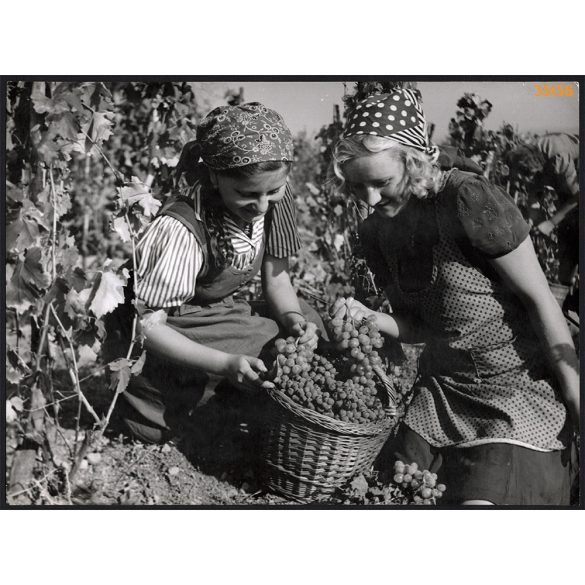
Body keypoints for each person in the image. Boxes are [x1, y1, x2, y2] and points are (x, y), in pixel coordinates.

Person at [330, 89, 579, 505]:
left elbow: (540, 298)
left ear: (412, 163)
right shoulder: (378, 231)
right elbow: (421, 326)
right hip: (440, 397)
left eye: (381, 183)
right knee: (383, 497)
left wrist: (574, 390)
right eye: (358, 187)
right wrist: (370, 319)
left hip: (513, 394)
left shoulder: (467, 199)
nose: (370, 199)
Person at [104, 102, 321, 443]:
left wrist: (294, 319)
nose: (262, 206)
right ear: (216, 177)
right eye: (248, 194)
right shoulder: (182, 226)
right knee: (264, 348)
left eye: (273, 191)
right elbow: (143, 324)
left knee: (311, 325)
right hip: (161, 324)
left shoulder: (272, 198)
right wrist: (225, 364)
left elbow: (278, 280)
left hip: (210, 312)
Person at [506, 134, 579, 309]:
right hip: (569, 192)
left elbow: (577, 195)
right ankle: (560, 305)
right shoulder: (527, 158)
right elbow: (533, 194)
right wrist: (532, 219)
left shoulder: (557, 156)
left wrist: (551, 222)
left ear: (532, 170)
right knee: (567, 247)